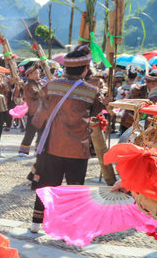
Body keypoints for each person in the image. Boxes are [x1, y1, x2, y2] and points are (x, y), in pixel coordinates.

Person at [29, 45, 106, 234]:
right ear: (86, 69)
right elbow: (97, 111)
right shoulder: (91, 91)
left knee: (46, 185)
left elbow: (40, 115)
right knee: (74, 190)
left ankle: (35, 224)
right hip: (78, 149)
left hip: (53, 146)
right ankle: (70, 226)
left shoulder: (52, 85)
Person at [17, 62, 44, 156]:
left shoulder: (38, 83)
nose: (38, 75)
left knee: (42, 131)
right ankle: (23, 150)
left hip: (41, 111)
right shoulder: (28, 85)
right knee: (30, 132)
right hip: (33, 111)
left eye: (38, 73)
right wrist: (46, 88)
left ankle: (39, 149)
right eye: (36, 73)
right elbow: (35, 95)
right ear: (29, 75)